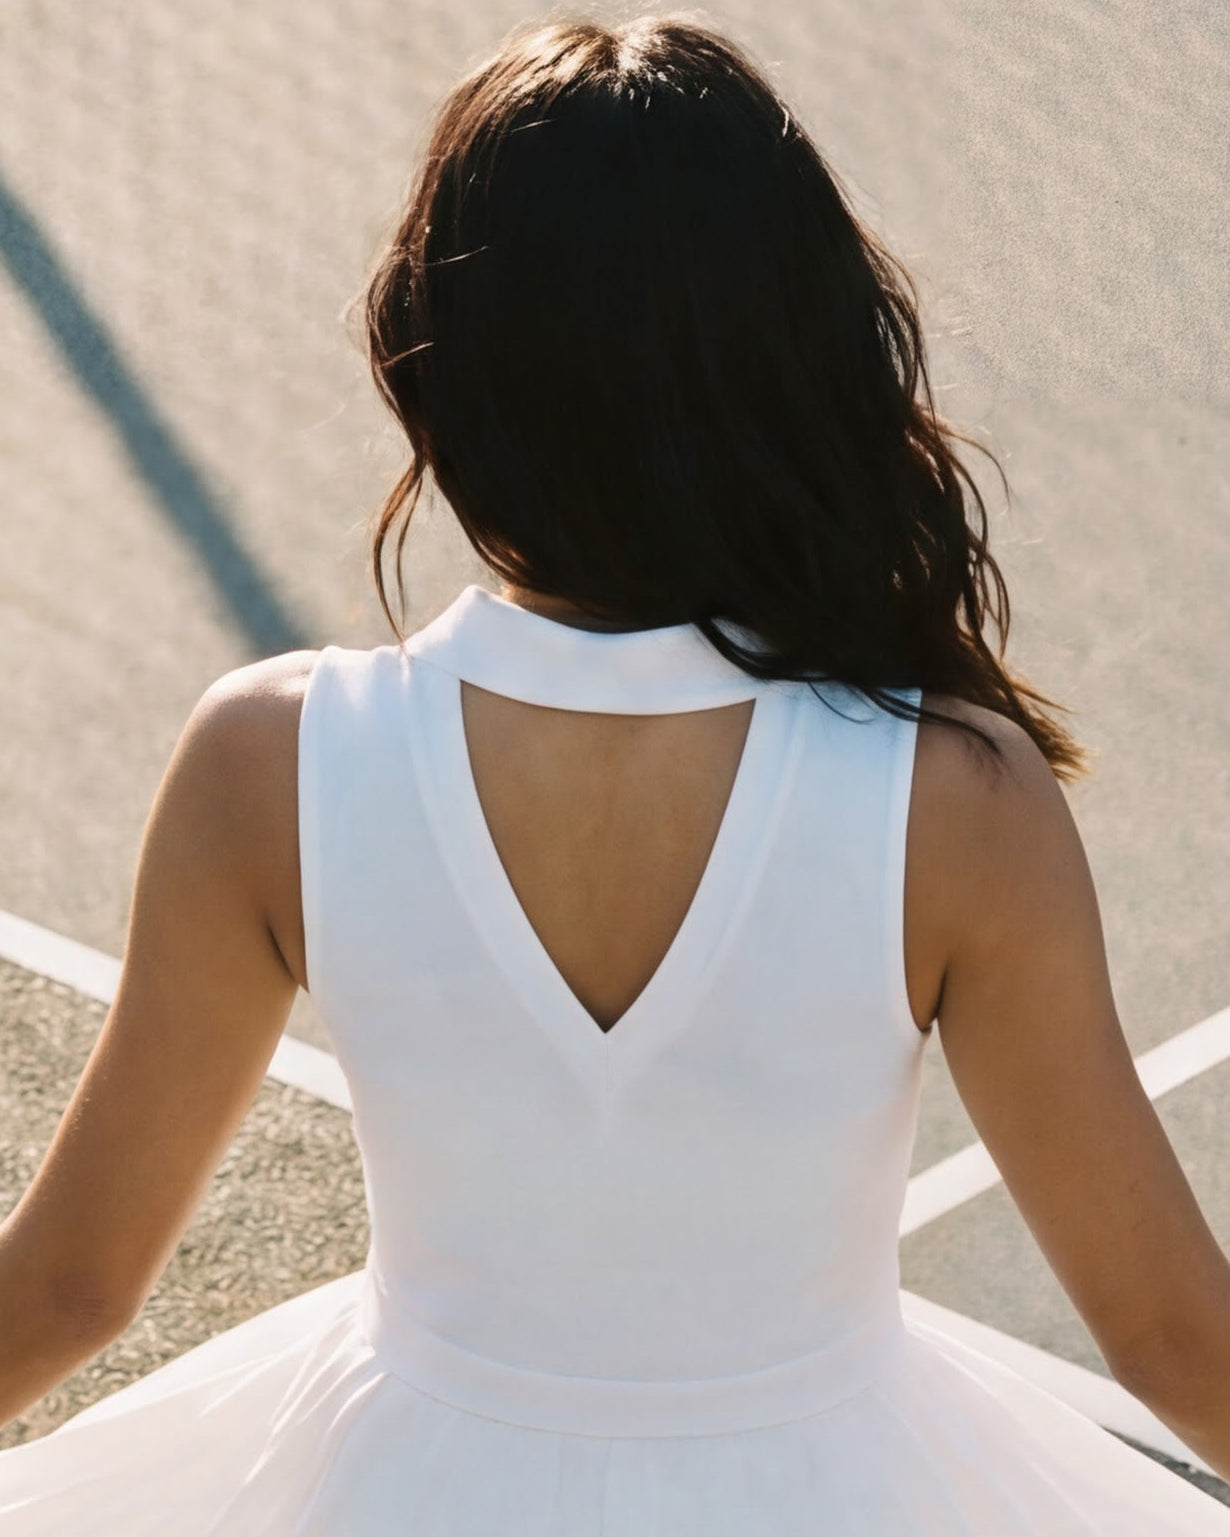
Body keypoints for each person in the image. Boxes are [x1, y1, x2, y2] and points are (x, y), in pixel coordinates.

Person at [1, 13, 1228, 1531]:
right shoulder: (955, 799)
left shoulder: (268, 762)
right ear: (805, 360)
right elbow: (1175, 1338)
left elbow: (66, 1282)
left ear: (431, 360)